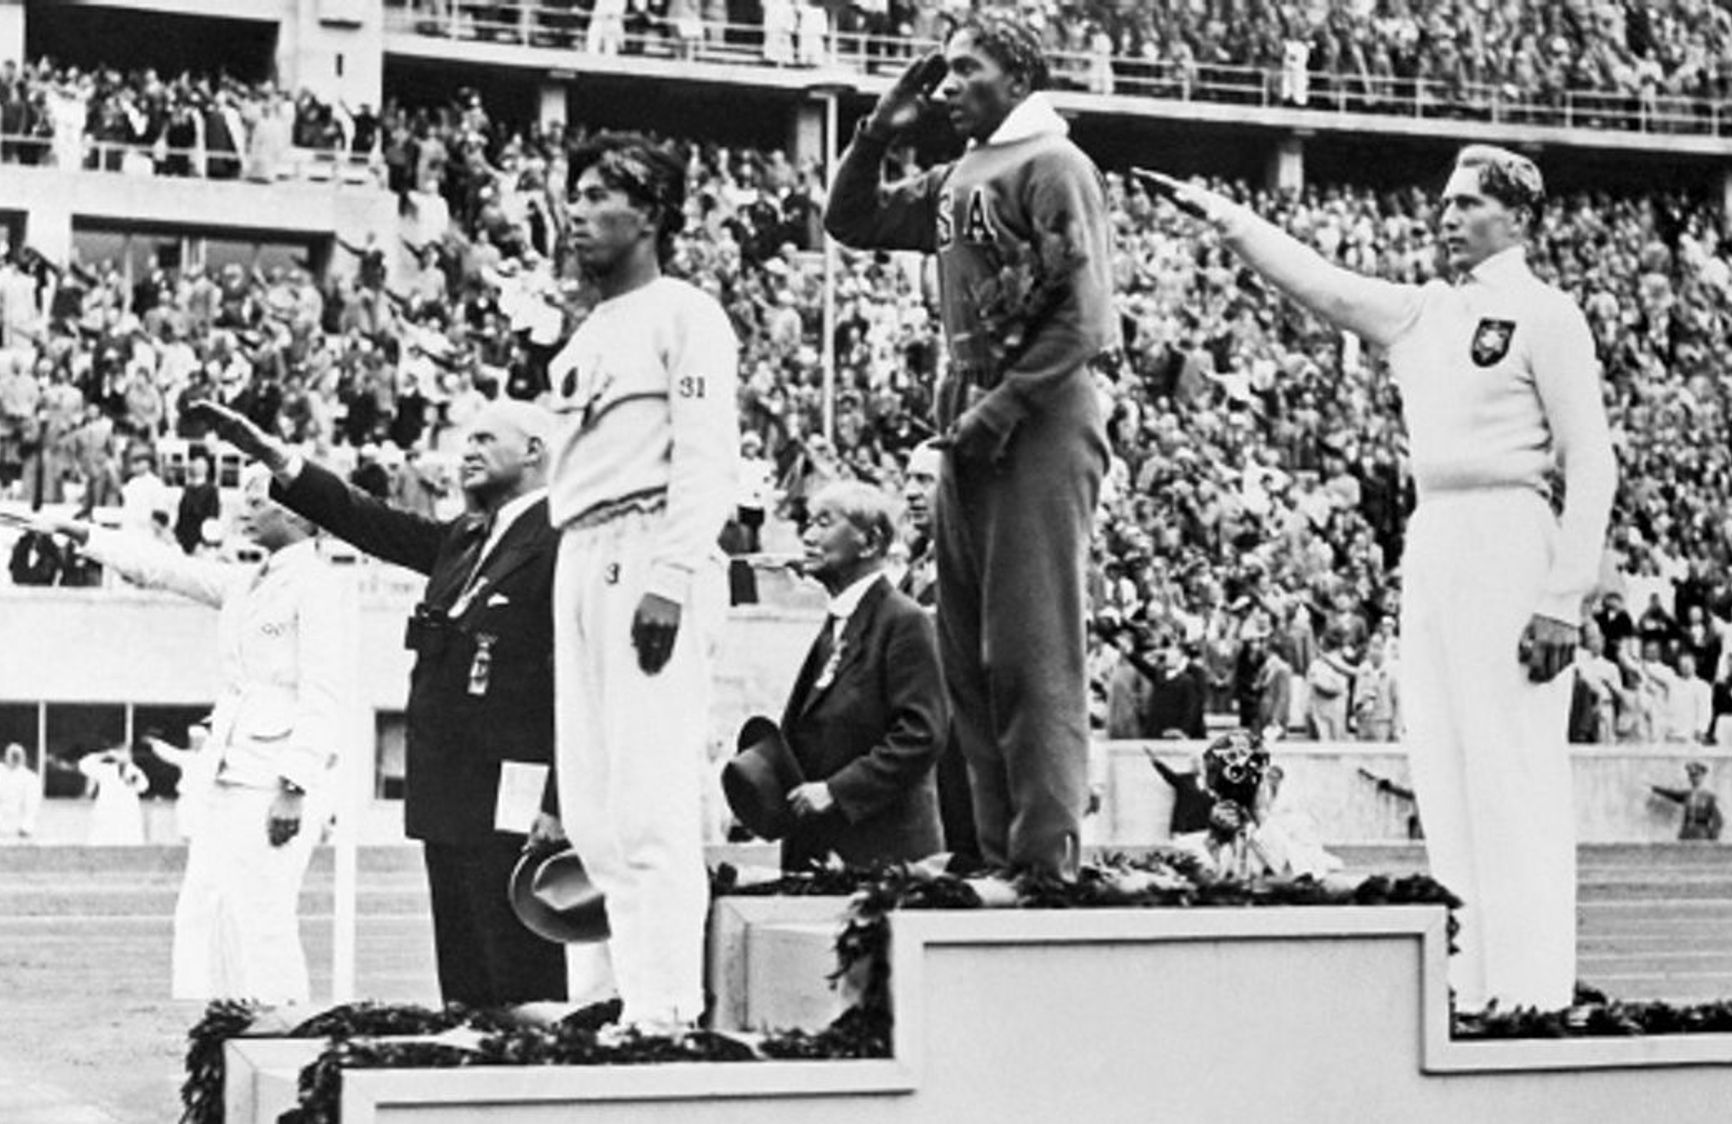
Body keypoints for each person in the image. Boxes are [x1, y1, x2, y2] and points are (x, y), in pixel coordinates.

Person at [1144, 144, 1617, 1012]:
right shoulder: (1423, 312)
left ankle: (1534, 990)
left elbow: (1592, 463)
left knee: (1511, 769)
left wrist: (1564, 596)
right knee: (1444, 765)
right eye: (1443, 202)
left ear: (1517, 218)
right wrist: (1229, 219)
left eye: (1468, 203)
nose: (1446, 216)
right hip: (1435, 534)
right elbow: (1321, 283)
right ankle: (1471, 985)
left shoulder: (1549, 316)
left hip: (1513, 531)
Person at [824, 15, 1119, 879]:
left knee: (1033, 653)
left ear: (1019, 78)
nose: (947, 86)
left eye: (966, 70)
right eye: (943, 73)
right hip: (971, 411)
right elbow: (856, 219)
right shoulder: (960, 174)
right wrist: (879, 128)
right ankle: (996, 854)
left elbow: (1085, 318)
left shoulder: (1053, 164)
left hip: (1037, 411)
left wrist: (1001, 407)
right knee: (971, 658)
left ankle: (1045, 859)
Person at [193, 397, 569, 1008]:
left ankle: (529, 1099)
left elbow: (573, 679)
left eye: (483, 438)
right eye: (463, 439)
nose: (466, 451)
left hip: (517, 800)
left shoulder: (562, 540)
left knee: (521, 978)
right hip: (450, 793)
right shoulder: (467, 537)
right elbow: (363, 519)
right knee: (466, 982)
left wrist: (559, 801)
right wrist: (273, 456)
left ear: (533, 451)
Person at [545, 132, 739, 1035]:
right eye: (573, 195)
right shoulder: (588, 329)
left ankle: (669, 1009)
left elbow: (706, 456)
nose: (575, 212)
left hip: (645, 545)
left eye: (597, 196)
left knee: (651, 796)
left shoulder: (686, 314)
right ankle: (629, 996)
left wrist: (672, 572)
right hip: (580, 552)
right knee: (594, 809)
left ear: (652, 212)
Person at [34, 466, 350, 1004]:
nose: (242, 510)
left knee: (265, 917)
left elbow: (325, 693)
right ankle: (204, 1030)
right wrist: (84, 535)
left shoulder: (319, 586)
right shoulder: (250, 580)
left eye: (256, 501)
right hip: (227, 769)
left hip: (275, 777)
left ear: (297, 515)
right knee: (202, 911)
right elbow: (166, 569)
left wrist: (294, 786)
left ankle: (281, 1040)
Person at [776, 481, 946, 870]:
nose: (808, 535)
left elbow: (922, 734)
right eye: (807, 523)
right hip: (825, 852)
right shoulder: (837, 622)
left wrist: (839, 790)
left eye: (824, 522)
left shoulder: (905, 621)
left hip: (885, 856)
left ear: (869, 542)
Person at [897, 438, 978, 862]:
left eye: (925, 480)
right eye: (908, 478)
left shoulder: (977, 559)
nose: (910, 490)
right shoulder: (917, 566)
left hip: (970, 751)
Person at [78, 743, 148, 845]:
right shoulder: (105, 770)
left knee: (130, 842)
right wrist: (105, 754)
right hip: (107, 812)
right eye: (120, 753)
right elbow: (84, 765)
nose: (123, 756)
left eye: (126, 753)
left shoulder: (135, 771)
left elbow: (144, 787)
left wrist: (133, 780)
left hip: (127, 814)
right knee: (101, 841)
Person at [1651, 761, 1723, 842]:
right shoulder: (1687, 794)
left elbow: (1718, 820)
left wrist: (1712, 837)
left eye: (1696, 775)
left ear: (1702, 776)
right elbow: (1672, 794)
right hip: (1686, 833)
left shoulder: (1709, 797)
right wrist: (1656, 789)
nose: (1693, 778)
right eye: (1691, 775)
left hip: (1701, 834)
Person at [0, 742, 41, 841]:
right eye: (12, 755)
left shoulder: (30, 778)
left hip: (17, 825)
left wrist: (26, 826)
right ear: (5, 756)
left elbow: (32, 806)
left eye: (17, 756)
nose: (14, 758)